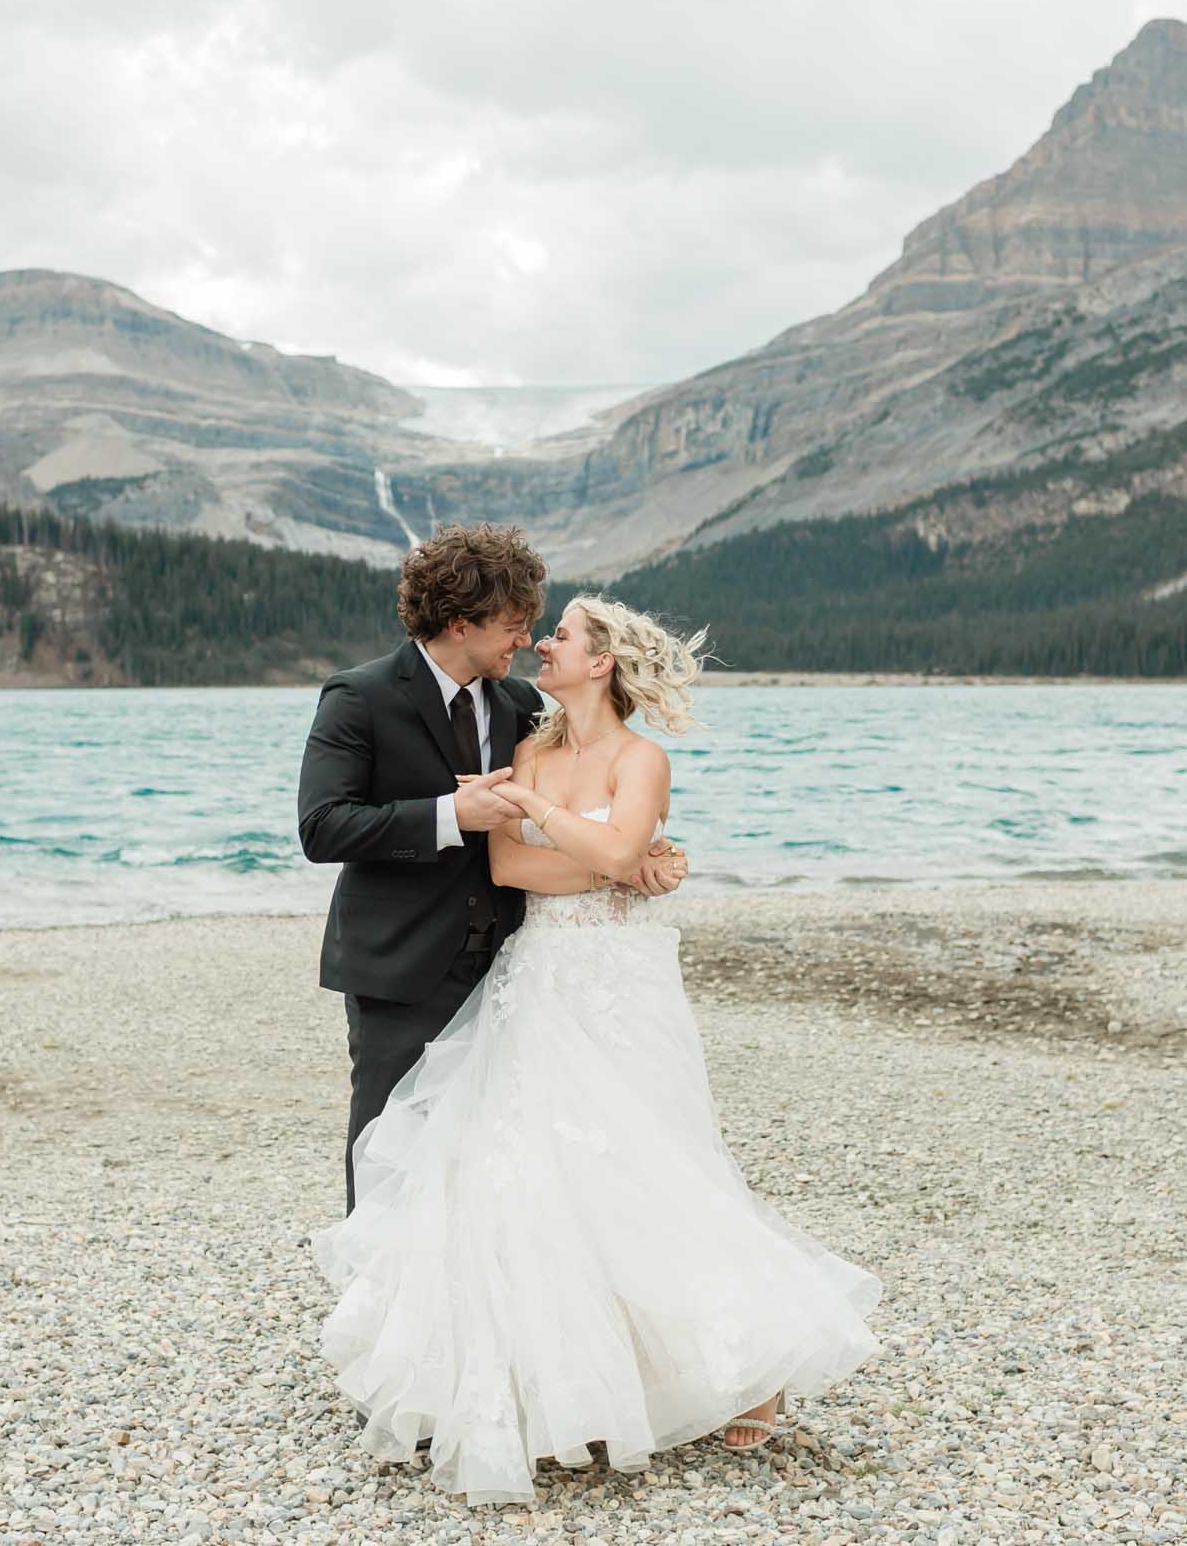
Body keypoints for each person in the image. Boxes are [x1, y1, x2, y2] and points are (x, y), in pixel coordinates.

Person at [309, 594, 882, 1506]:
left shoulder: (639, 756)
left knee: (649, 1159)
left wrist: (607, 847)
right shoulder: (528, 747)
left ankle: (746, 1357)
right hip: (538, 974)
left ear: (603, 661)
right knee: (524, 1166)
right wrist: (618, 859)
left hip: (622, 980)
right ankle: (550, 1375)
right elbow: (511, 868)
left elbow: (599, 850)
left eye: (561, 635)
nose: (542, 643)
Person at [297, 525, 688, 1217]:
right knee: (390, 1139)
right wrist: (449, 815)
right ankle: (375, 1305)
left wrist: (640, 858)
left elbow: (580, 811)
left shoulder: (522, 709)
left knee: (489, 1151)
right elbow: (322, 827)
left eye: (536, 628)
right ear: (459, 623)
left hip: (514, 965)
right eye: (512, 626)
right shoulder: (360, 697)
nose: (525, 641)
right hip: (402, 963)